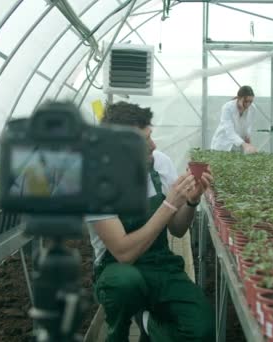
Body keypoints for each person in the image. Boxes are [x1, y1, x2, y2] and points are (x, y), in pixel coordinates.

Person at [87, 101, 215, 342]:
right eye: (143, 140)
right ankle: (119, 331)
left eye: (150, 136)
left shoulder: (160, 163)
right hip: (118, 269)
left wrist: (190, 201)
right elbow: (124, 253)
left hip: (161, 264)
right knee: (125, 284)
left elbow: (177, 230)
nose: (153, 145)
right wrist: (168, 205)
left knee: (201, 327)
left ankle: (147, 323)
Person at [210, 85, 258, 154]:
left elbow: (247, 129)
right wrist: (245, 145)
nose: (248, 104)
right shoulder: (228, 107)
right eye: (246, 101)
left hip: (238, 146)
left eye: (250, 101)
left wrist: (249, 145)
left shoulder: (252, 109)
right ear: (239, 98)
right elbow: (229, 132)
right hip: (223, 145)